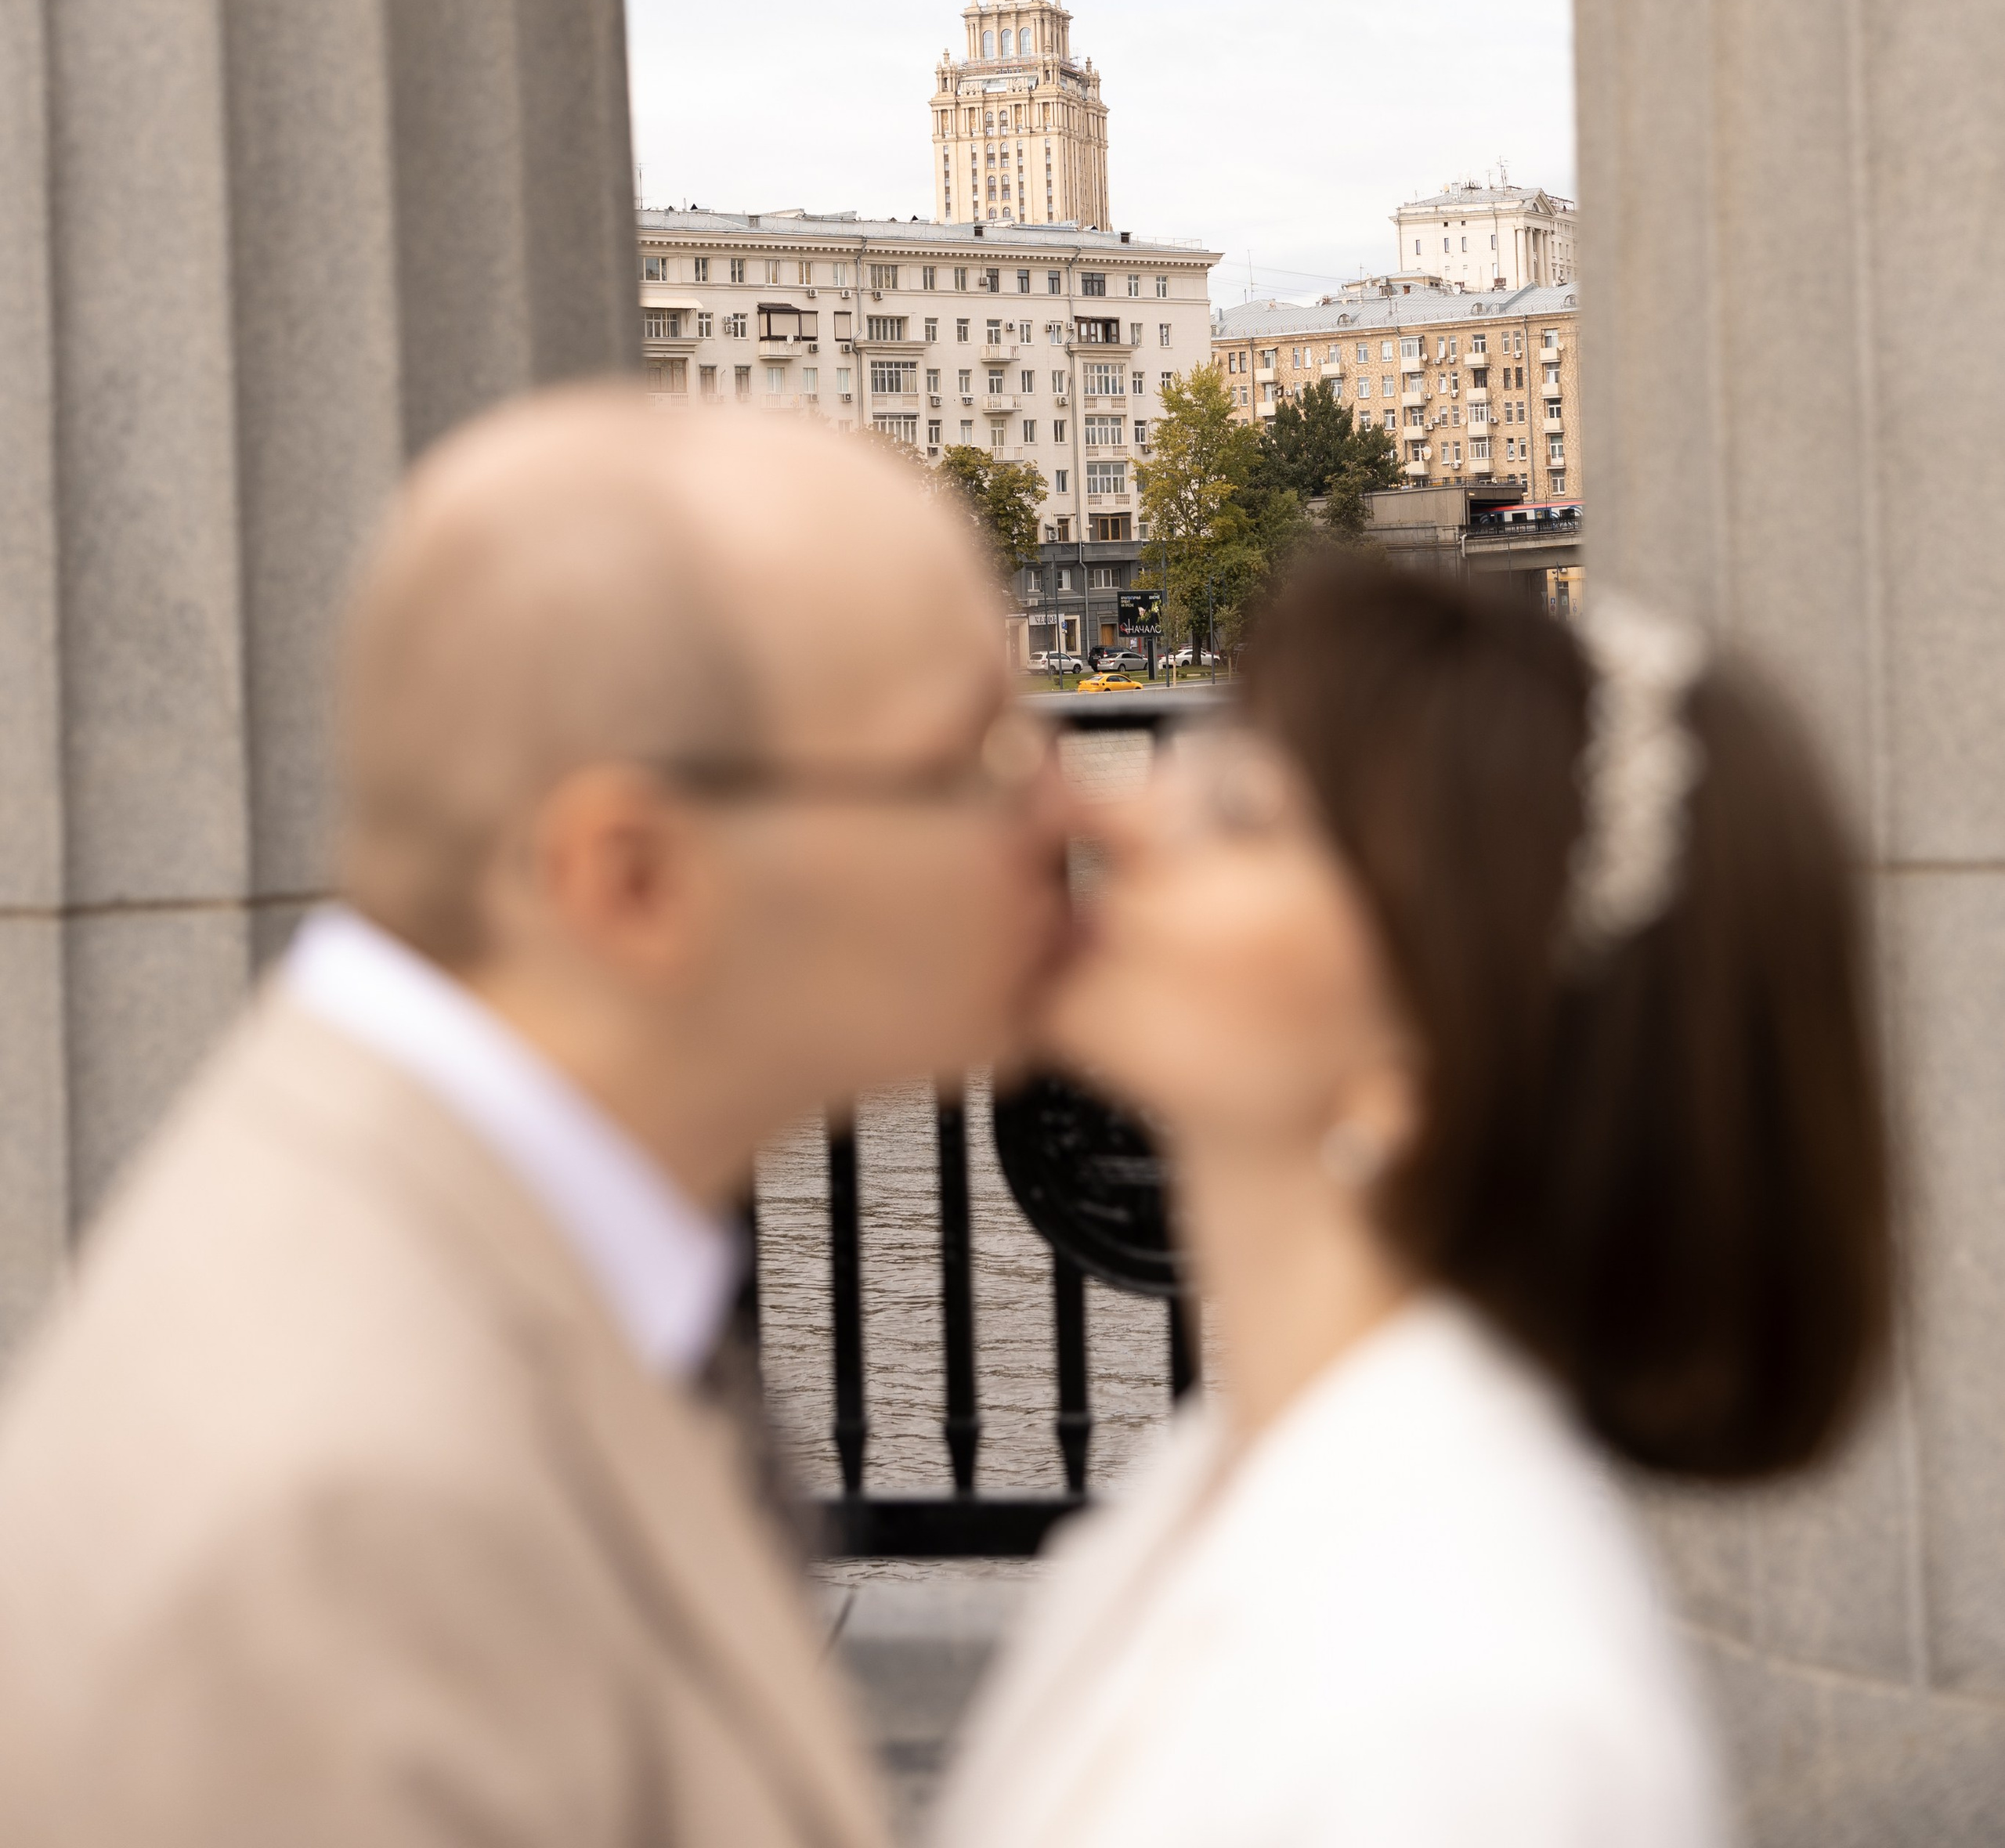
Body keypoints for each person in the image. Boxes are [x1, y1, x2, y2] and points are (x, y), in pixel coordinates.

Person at [0, 388, 1070, 1848]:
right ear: (629, 877)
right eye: (975, 763)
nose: (1074, 822)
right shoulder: (349, 1532)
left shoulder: (474, 1262)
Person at [940, 561, 1891, 1848]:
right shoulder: (1228, 1479)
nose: (1107, 820)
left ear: (1427, 1057)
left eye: (1236, 813)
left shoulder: (1467, 1714)